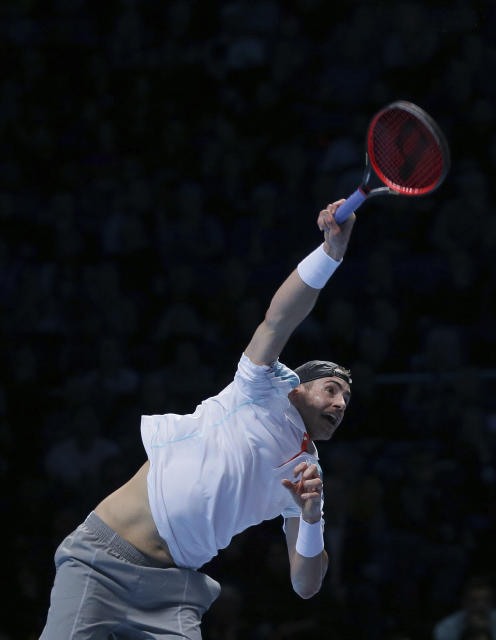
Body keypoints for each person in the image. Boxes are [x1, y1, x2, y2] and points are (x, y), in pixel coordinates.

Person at [40, 200, 357, 638]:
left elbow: (306, 585)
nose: (341, 404)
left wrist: (311, 515)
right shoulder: (260, 389)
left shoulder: (307, 476)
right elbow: (279, 317)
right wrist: (331, 253)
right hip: (101, 561)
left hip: (173, 591)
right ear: (296, 388)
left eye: (347, 399)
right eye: (332, 389)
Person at [434, 576, 496, 640]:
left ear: (492, 602)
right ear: (464, 602)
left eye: (486, 600)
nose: (480, 605)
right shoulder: (446, 628)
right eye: (474, 600)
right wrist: (470, 632)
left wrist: (485, 633)